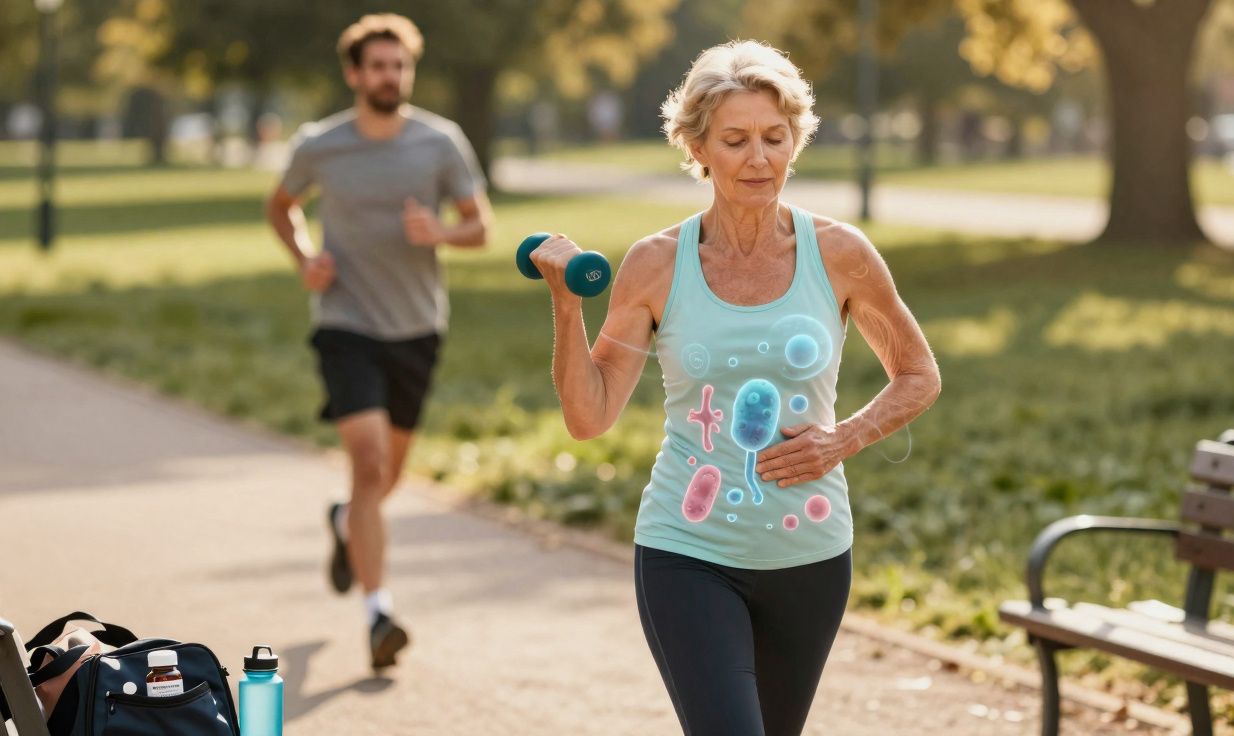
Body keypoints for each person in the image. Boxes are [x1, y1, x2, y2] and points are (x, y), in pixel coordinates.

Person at [529, 41, 941, 735]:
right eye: (736, 140)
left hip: (810, 556)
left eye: (775, 138)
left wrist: (842, 440)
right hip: (687, 551)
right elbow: (589, 417)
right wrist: (567, 308)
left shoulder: (840, 253)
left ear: (796, 141)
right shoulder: (657, 264)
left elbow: (919, 373)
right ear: (697, 147)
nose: (759, 159)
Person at [264, 13, 491, 670]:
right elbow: (281, 206)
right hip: (345, 321)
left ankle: (345, 523)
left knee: (385, 477)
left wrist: (440, 234)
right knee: (367, 466)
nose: (391, 77)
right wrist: (305, 257)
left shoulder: (439, 142)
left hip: (417, 325)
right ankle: (379, 614)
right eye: (379, 66)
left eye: (400, 66)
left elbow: (480, 227)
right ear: (355, 74)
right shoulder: (320, 144)